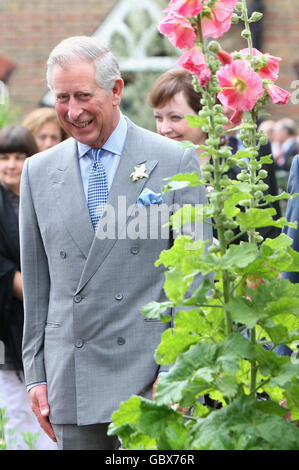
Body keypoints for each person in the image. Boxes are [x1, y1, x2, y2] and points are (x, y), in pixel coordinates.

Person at [19, 36, 212, 450]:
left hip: (153, 381)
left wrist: (180, 369)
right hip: (71, 380)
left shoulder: (175, 160)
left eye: (84, 96)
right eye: (62, 97)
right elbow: (38, 289)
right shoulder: (38, 171)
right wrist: (35, 374)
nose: (73, 111)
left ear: (116, 90)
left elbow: (197, 277)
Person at [0, 125, 57, 450]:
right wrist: (40, 293)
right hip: (8, 326)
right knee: (17, 414)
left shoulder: (43, 196)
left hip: (48, 323)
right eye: (4, 157)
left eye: (19, 157)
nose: (10, 165)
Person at [147, 69, 210, 168]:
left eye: (175, 117)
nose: (164, 129)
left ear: (205, 115)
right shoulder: (148, 169)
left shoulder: (231, 175)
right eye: (158, 118)